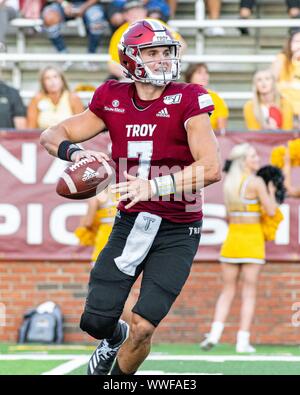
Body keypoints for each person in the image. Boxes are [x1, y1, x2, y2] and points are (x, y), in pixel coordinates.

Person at [40, 19, 221, 375]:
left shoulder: (188, 98)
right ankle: (112, 336)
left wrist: (154, 186)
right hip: (131, 222)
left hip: (178, 229)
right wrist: (78, 154)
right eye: (152, 52)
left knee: (144, 326)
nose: (162, 59)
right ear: (131, 59)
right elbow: (52, 133)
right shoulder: (112, 97)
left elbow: (212, 167)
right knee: (95, 320)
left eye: (166, 51)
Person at [200, 143, 278, 353]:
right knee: (248, 293)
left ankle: (214, 334)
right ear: (243, 161)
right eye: (253, 156)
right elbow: (271, 211)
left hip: (233, 239)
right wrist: (271, 191)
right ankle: (242, 341)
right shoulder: (256, 182)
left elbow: (228, 215)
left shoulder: (230, 184)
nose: (256, 159)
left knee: (227, 291)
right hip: (252, 240)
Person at [107, 0, 184, 80]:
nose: (135, 13)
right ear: (125, 15)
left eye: (139, 10)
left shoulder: (157, 24)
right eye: (131, 11)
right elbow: (112, 64)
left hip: (160, 69)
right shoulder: (120, 32)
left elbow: (181, 44)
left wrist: (169, 62)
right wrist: (134, 75)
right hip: (134, 74)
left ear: (145, 11)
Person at [42, 0, 106, 56]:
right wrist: (65, 4)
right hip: (63, 4)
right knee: (49, 17)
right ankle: (63, 55)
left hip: (89, 4)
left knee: (97, 19)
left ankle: (92, 55)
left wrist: (83, 7)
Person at [185, 62, 229, 134]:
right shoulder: (182, 97)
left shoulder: (216, 98)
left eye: (206, 72)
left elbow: (222, 132)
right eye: (199, 72)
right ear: (190, 76)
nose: (204, 76)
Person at [271, 27, 300, 129]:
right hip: (284, 106)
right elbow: (271, 82)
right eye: (297, 41)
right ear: (290, 43)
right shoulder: (281, 59)